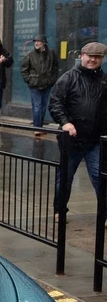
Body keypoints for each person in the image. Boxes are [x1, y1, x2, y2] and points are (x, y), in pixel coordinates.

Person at [49, 42, 107, 219]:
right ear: (82, 55)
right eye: (90, 56)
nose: (93, 60)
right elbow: (55, 103)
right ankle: (60, 210)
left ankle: (105, 214)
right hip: (71, 140)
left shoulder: (104, 80)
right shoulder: (68, 78)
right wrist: (65, 122)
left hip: (96, 140)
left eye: (98, 57)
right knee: (65, 178)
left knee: (101, 178)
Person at [21, 34, 59, 136]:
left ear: (44, 43)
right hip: (35, 84)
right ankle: (37, 128)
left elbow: (55, 67)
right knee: (37, 106)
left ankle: (39, 126)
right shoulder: (30, 54)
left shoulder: (51, 53)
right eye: (35, 41)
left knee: (43, 106)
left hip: (47, 84)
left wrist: (52, 79)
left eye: (39, 41)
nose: (36, 43)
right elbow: (24, 69)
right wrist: (29, 80)